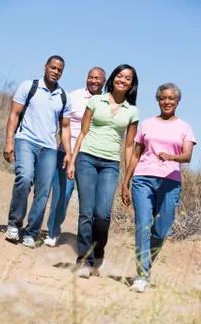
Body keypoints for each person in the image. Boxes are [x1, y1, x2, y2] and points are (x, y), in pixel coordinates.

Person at [121, 83, 196, 292]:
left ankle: (146, 262)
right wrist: (126, 182)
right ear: (158, 100)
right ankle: (142, 274)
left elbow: (188, 155)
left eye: (171, 98)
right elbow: (135, 154)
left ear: (178, 101)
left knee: (161, 230)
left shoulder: (185, 127)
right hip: (143, 178)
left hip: (170, 182)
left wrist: (172, 156)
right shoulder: (146, 124)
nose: (167, 102)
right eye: (163, 98)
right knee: (143, 225)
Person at [68, 64, 139, 278]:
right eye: (120, 76)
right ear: (113, 78)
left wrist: (127, 180)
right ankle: (84, 260)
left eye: (128, 78)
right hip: (87, 159)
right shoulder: (95, 100)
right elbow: (83, 132)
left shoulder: (132, 111)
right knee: (86, 212)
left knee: (102, 215)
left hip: (110, 164)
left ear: (131, 84)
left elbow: (128, 146)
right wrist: (72, 160)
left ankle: (98, 251)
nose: (123, 80)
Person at [3, 55, 71, 249]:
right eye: (53, 67)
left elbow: (65, 127)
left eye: (59, 69)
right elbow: (14, 114)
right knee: (24, 178)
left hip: (49, 148)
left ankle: (31, 232)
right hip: (26, 140)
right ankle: (14, 224)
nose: (55, 71)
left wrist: (68, 152)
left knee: (43, 191)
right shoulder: (29, 86)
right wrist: (9, 142)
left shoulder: (62, 96)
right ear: (46, 66)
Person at [44, 67, 106, 247]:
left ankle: (87, 240)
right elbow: (65, 125)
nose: (93, 81)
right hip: (68, 152)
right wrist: (68, 152)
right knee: (62, 193)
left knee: (91, 202)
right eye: (90, 77)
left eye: (97, 78)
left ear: (104, 81)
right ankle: (53, 231)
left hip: (93, 155)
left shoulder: (108, 101)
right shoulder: (74, 96)